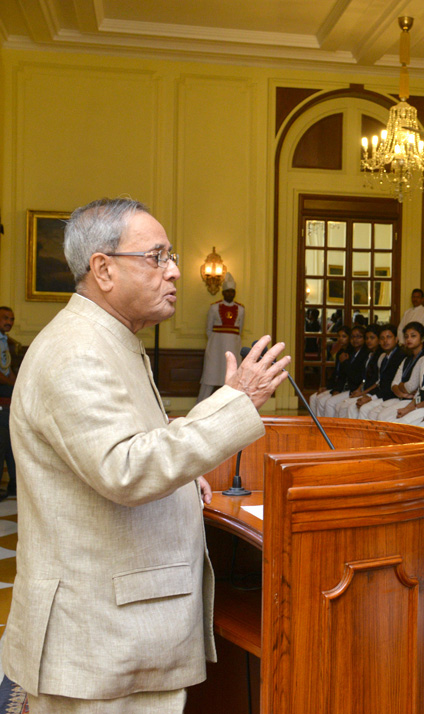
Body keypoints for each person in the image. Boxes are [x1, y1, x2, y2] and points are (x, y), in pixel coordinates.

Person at [3, 198, 289, 712]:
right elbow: (126, 469)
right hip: (101, 638)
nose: (175, 270)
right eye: (157, 257)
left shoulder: (110, 340)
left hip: (118, 632)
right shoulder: (78, 351)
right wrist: (236, 402)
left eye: (171, 255)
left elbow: (124, 446)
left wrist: (183, 479)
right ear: (104, 269)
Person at [196, 272, 244, 402]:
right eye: (227, 291)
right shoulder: (214, 308)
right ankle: (199, 405)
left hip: (233, 348)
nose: (230, 294)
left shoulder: (240, 309)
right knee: (210, 377)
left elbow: (240, 330)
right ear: (223, 293)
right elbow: (208, 330)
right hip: (215, 349)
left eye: (232, 292)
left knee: (232, 379)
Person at [342, 324, 405, 419]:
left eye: (388, 337)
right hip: (380, 393)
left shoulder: (399, 356)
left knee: (363, 409)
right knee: (351, 406)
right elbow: (378, 381)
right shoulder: (384, 357)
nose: (385, 341)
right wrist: (363, 392)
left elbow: (389, 385)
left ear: (396, 339)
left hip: (391, 395)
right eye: (382, 338)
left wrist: (370, 397)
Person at [0, 306, 18, 497]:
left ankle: (14, 483)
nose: (10, 322)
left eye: (12, 319)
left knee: (10, 444)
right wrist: (14, 383)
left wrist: (16, 384)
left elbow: (6, 368)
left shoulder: (5, 341)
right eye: (5, 318)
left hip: (7, 399)